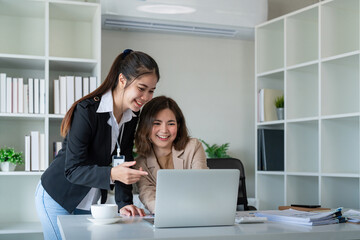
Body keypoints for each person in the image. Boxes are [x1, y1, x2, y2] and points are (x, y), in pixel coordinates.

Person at [35, 49, 160, 240]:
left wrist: (124, 203)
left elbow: (124, 160)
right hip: (57, 196)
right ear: (122, 80)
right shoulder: (87, 110)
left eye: (151, 91)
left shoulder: (131, 116)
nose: (146, 97)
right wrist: (111, 174)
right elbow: (73, 169)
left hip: (89, 202)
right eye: (141, 89)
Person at [134, 96, 208, 214]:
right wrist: (168, 213)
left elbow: (201, 185)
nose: (164, 130)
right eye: (157, 123)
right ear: (145, 126)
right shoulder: (140, 164)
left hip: (197, 213)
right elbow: (148, 196)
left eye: (171, 123)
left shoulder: (193, 147)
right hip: (165, 215)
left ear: (178, 125)